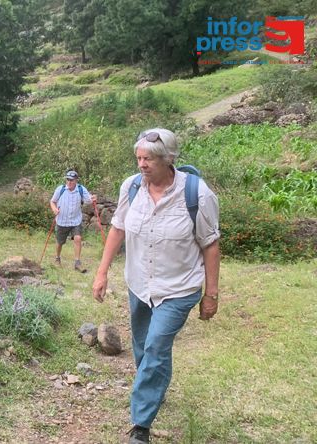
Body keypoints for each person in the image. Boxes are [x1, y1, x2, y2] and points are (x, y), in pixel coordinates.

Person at [92, 128, 220, 444]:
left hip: (179, 288)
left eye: (148, 158)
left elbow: (211, 245)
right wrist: (102, 272)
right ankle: (154, 386)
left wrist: (211, 294)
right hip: (139, 283)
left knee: (155, 346)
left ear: (168, 159)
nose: (142, 165)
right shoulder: (132, 187)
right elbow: (118, 229)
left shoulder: (197, 194)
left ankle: (141, 426)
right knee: (143, 346)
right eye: (138, 158)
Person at [50, 170, 97, 272]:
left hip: (76, 220)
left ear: (76, 180)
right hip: (62, 220)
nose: (69, 182)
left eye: (72, 180)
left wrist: (93, 198)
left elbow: (89, 199)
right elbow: (52, 201)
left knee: (78, 238)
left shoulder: (80, 189)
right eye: (67, 179)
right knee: (60, 242)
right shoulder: (60, 189)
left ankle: (77, 263)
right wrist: (54, 209)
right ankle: (57, 258)